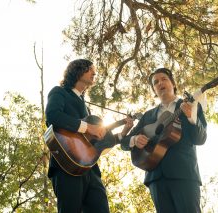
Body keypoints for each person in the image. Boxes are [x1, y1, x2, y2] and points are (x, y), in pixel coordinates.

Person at [45, 59, 133, 213]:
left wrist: (123, 132)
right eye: (90, 69)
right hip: (66, 166)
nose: (94, 73)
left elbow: (99, 145)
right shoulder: (59, 92)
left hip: (91, 171)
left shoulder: (86, 107)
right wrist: (87, 127)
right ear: (77, 71)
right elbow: (52, 116)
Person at [121, 68, 207, 213]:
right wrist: (135, 139)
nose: (160, 83)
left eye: (164, 79)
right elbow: (124, 143)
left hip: (184, 174)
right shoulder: (148, 116)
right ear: (154, 90)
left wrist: (191, 118)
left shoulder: (191, 106)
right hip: (156, 178)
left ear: (173, 84)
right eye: (156, 82)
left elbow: (200, 138)